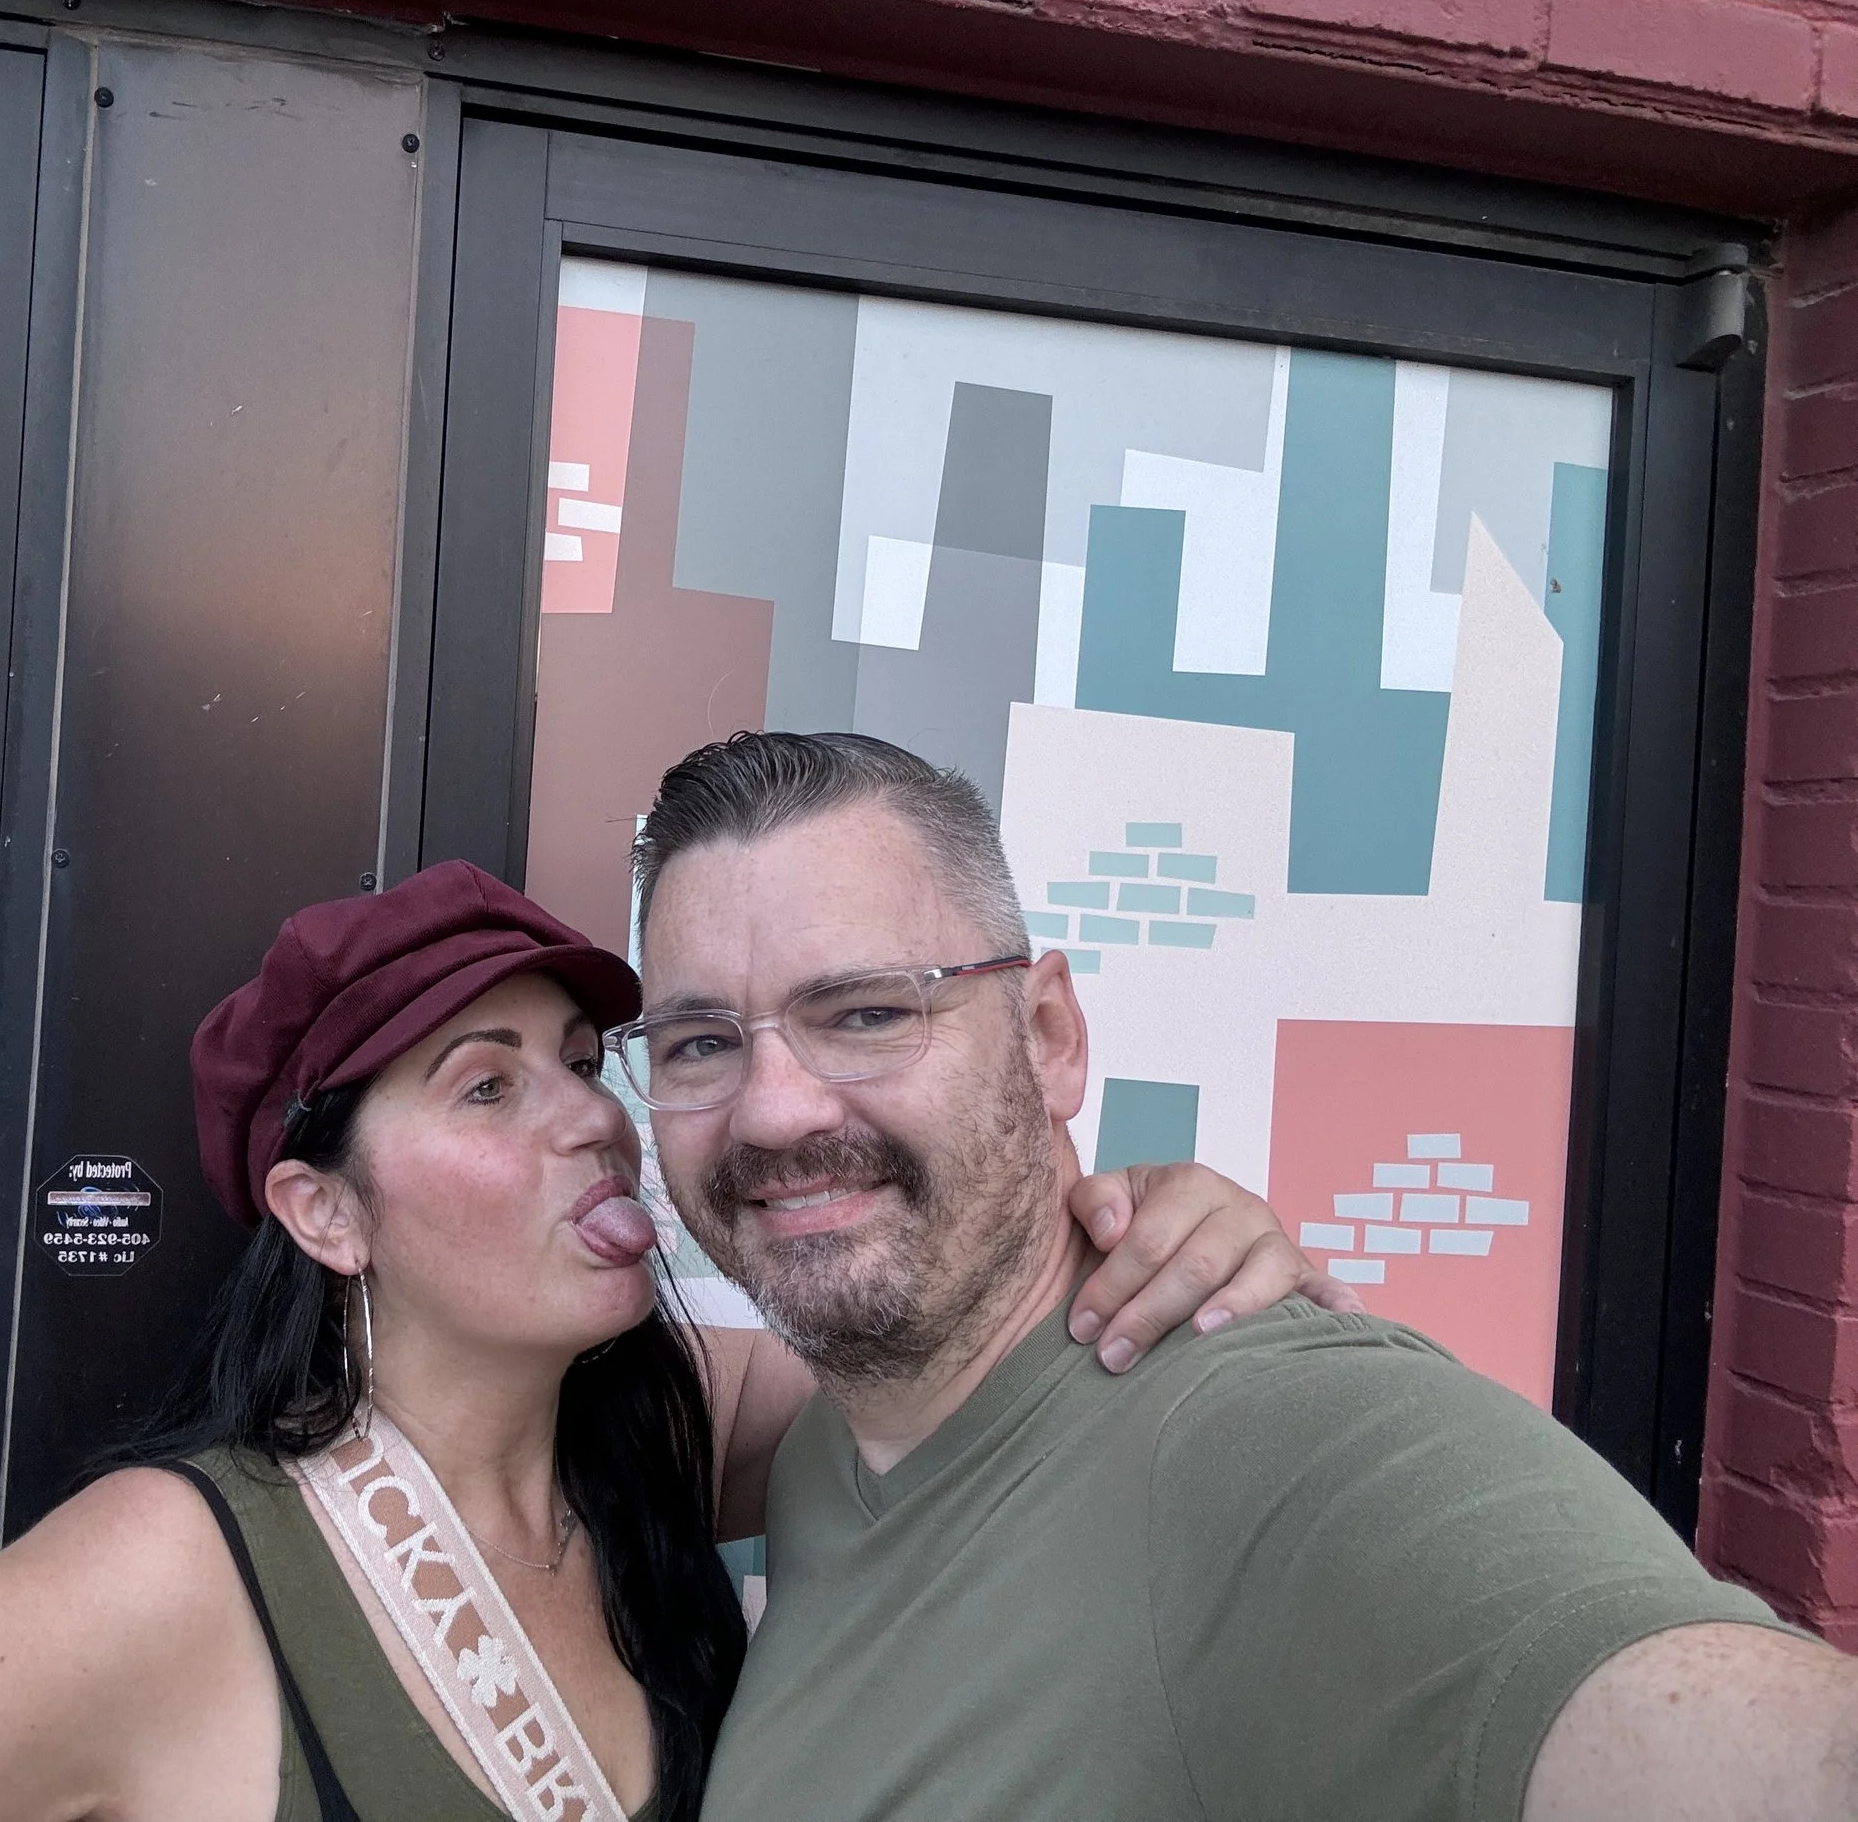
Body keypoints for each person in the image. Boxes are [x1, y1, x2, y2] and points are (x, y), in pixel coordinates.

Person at [0, 859, 1339, 1822]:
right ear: (326, 1215)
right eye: (487, 1087)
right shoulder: (171, 1569)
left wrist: (1166, 1224)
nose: (591, 1124)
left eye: (585, 1065)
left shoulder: (667, 1436)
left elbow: (979, 1343)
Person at [617, 729, 1858, 1822]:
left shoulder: (1277, 1437)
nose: (773, 1112)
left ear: (1048, 1037)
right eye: (701, 1043)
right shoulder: (824, 1454)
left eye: (869, 1012)